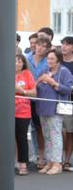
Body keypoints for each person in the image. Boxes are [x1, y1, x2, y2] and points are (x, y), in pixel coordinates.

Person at [35, 47, 73, 175]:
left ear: (58, 60)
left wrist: (53, 82)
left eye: (52, 59)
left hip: (55, 108)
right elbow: (38, 87)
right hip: (43, 107)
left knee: (55, 135)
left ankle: (57, 163)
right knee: (47, 136)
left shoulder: (64, 71)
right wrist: (39, 80)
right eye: (48, 58)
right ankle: (49, 161)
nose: (49, 61)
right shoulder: (45, 70)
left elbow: (68, 89)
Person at [26, 33, 50, 166]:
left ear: (47, 49)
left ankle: (42, 157)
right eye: (39, 45)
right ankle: (26, 157)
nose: (40, 48)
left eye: (44, 47)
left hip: (40, 99)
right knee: (22, 129)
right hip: (25, 98)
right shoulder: (26, 58)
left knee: (39, 128)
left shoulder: (48, 61)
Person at [15, 53, 36, 175]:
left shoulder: (27, 74)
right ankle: (13, 162)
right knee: (9, 138)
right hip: (8, 112)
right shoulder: (6, 73)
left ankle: (23, 164)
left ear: (23, 63)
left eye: (19, 61)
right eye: (15, 61)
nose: (17, 63)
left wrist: (22, 91)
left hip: (23, 112)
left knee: (22, 138)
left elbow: (34, 92)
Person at [60, 36, 73, 171]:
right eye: (62, 44)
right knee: (59, 132)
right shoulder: (58, 62)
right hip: (57, 101)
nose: (64, 46)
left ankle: (67, 160)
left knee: (69, 132)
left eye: (67, 44)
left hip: (70, 102)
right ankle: (59, 158)